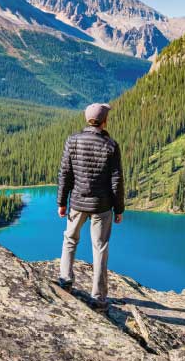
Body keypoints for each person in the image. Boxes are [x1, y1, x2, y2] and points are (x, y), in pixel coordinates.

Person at [56, 102, 123, 310]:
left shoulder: (73, 141)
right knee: (100, 248)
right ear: (104, 121)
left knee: (70, 239)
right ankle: (99, 299)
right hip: (101, 207)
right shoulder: (111, 145)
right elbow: (116, 180)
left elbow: (65, 173)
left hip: (76, 202)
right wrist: (118, 208)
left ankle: (65, 280)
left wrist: (61, 202)